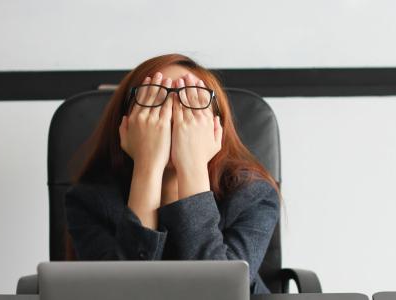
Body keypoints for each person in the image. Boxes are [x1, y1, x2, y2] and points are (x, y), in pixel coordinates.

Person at [64, 53, 282, 294]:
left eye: (193, 100)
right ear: (126, 125)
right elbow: (122, 294)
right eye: (154, 99)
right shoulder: (89, 200)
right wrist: (147, 167)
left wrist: (193, 167)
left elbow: (219, 292)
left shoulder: (253, 194)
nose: (173, 116)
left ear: (215, 128)